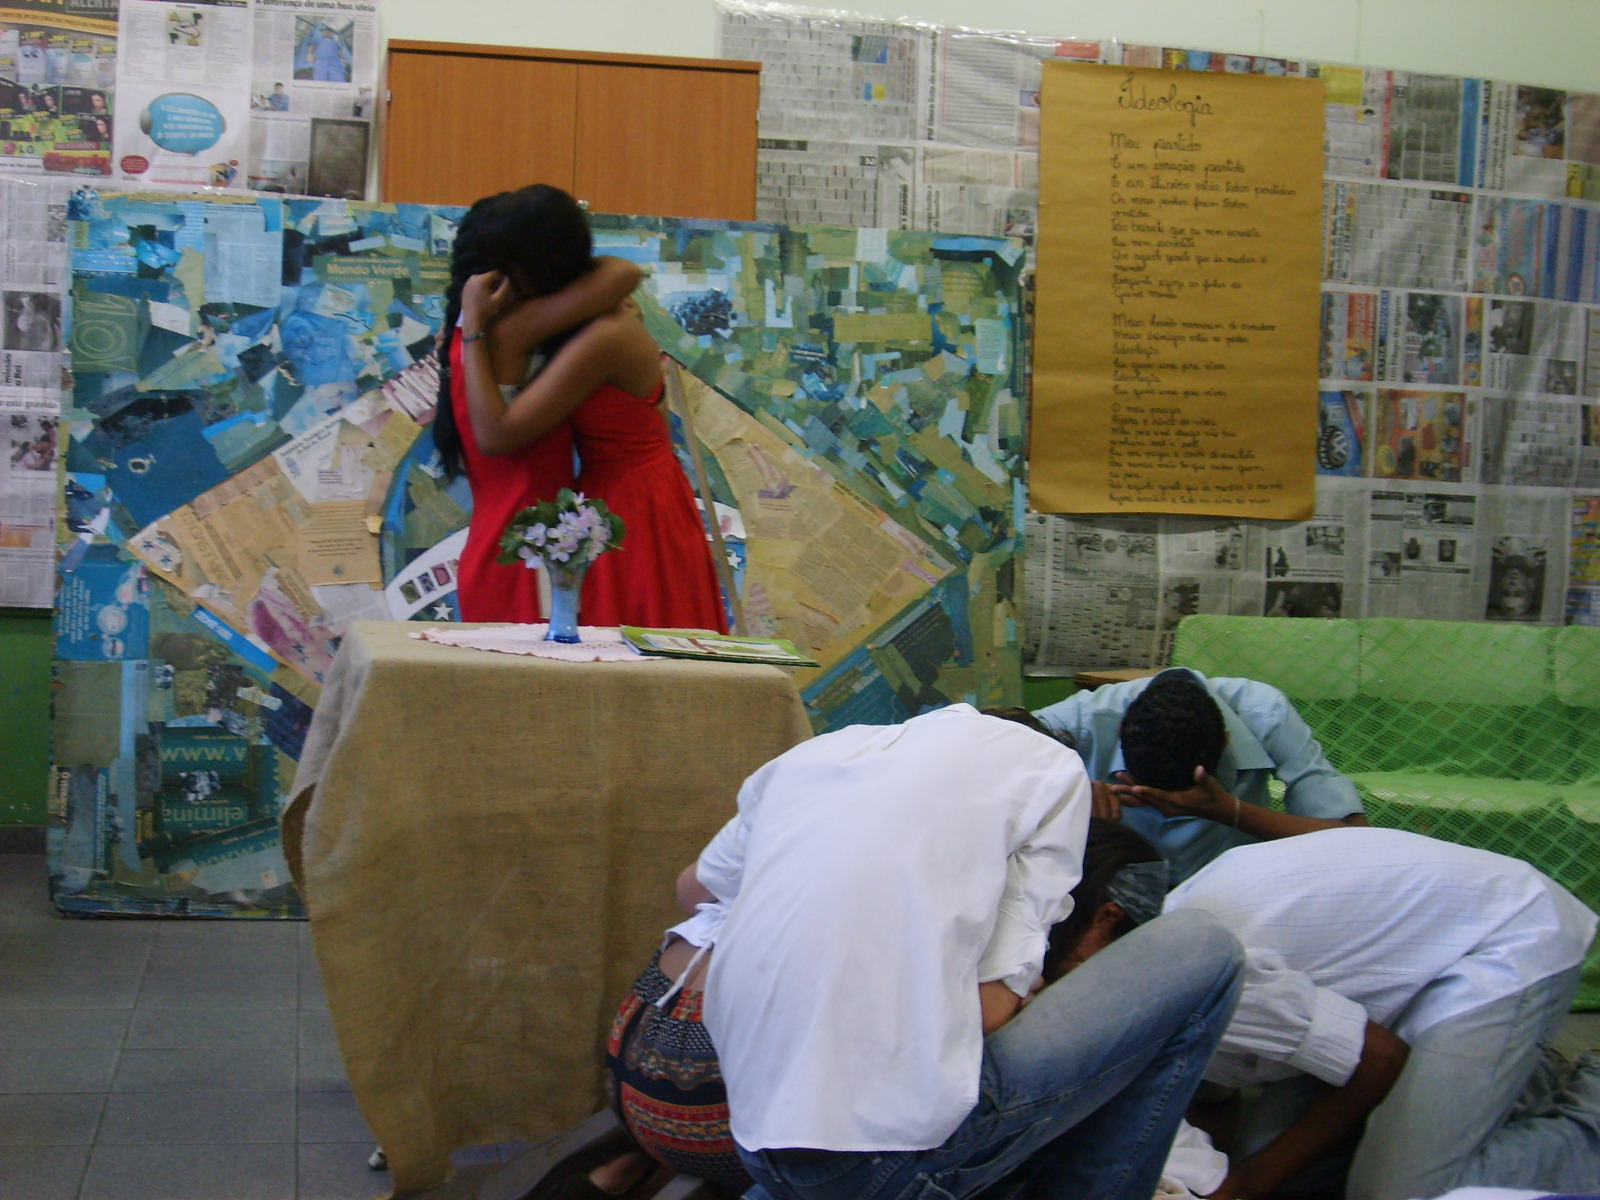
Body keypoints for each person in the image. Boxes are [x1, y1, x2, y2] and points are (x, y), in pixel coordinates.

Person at [696, 703, 1243, 1200]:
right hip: (878, 1162)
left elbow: (694, 887)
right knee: (1205, 947)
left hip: (752, 1140)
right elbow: (990, 1010)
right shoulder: (1053, 774)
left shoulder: (815, 757)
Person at [1140, 827, 1598, 1200]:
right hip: (1397, 980)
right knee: (1285, 1169)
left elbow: (1381, 1058)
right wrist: (1232, 1176)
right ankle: (1516, 1077)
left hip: (1503, 936)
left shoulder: (1195, 977)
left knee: (1403, 1192)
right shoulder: (1151, 934)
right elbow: (1208, 1105)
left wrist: (1245, 1185)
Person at [453, 184, 728, 632]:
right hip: (629, 495)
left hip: (636, 506)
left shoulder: (605, 335)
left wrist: (474, 325)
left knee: (634, 647)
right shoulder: (595, 314)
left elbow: (496, 435)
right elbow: (622, 272)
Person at [435, 185, 640, 622]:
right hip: (530, 551)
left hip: (504, 542)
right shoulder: (508, 327)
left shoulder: (466, 335)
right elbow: (623, 273)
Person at [1033, 668, 1367, 885]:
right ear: (1120, 732)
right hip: (1112, 896)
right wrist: (1068, 809)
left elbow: (1356, 840)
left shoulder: (1263, 712)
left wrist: (1229, 811)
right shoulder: (1074, 723)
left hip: (1230, 895)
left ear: (1225, 742)